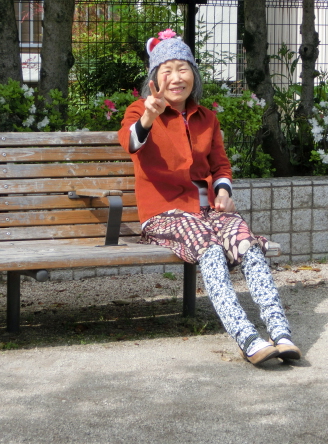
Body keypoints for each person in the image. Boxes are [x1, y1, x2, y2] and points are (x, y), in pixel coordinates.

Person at [118, 30, 301, 365]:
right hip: (164, 215)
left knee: (247, 244)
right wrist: (148, 117)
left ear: (194, 74)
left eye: (183, 69)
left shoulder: (207, 119)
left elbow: (220, 165)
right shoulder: (139, 111)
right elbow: (130, 142)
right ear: (154, 79)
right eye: (167, 70)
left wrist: (223, 191)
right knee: (211, 249)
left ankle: (281, 331)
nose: (176, 78)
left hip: (208, 212)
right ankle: (247, 338)